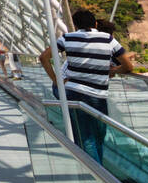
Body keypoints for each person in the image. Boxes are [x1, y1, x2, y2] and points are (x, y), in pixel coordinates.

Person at [39, 9, 133, 162]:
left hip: (73, 93)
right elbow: (128, 66)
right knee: (99, 136)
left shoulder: (67, 37)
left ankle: (97, 173)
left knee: (85, 137)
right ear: (95, 23)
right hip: (97, 95)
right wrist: (113, 70)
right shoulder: (108, 39)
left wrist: (56, 80)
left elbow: (44, 57)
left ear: (75, 25)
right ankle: (100, 171)